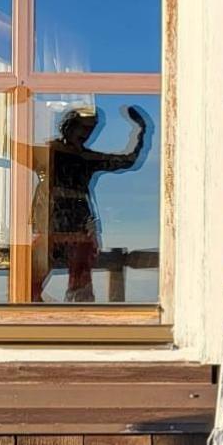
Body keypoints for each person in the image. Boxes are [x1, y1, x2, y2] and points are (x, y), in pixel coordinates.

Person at [28, 104, 151, 302]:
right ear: (69, 127)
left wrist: (141, 131)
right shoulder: (47, 153)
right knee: (30, 282)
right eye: (83, 128)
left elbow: (128, 160)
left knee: (80, 284)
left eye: (90, 129)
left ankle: (74, 317)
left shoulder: (83, 158)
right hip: (52, 225)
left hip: (76, 227)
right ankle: (38, 313)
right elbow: (7, 146)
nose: (86, 134)